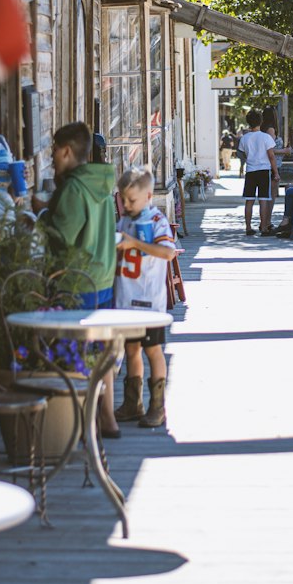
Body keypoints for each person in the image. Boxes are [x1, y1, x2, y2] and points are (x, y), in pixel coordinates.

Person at [42, 122, 121, 436]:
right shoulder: (100, 182)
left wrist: (42, 215)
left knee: (78, 350)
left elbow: (63, 234)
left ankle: (81, 419)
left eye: (53, 154)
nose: (51, 160)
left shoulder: (74, 188)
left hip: (77, 279)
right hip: (103, 276)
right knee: (102, 350)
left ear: (65, 151)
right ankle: (108, 416)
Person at [114, 167, 180, 428]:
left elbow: (167, 253)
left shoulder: (156, 221)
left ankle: (157, 405)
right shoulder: (124, 222)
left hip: (149, 301)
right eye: (123, 200)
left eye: (132, 200)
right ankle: (133, 402)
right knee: (131, 349)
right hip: (126, 298)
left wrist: (135, 244)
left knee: (153, 350)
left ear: (149, 196)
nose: (127, 205)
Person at [238, 110, 279, 236]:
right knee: (263, 199)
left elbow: (243, 153)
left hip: (250, 170)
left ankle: (248, 227)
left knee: (249, 200)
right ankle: (264, 227)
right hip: (264, 170)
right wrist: (276, 172)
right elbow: (271, 156)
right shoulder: (266, 137)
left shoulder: (244, 138)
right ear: (261, 122)